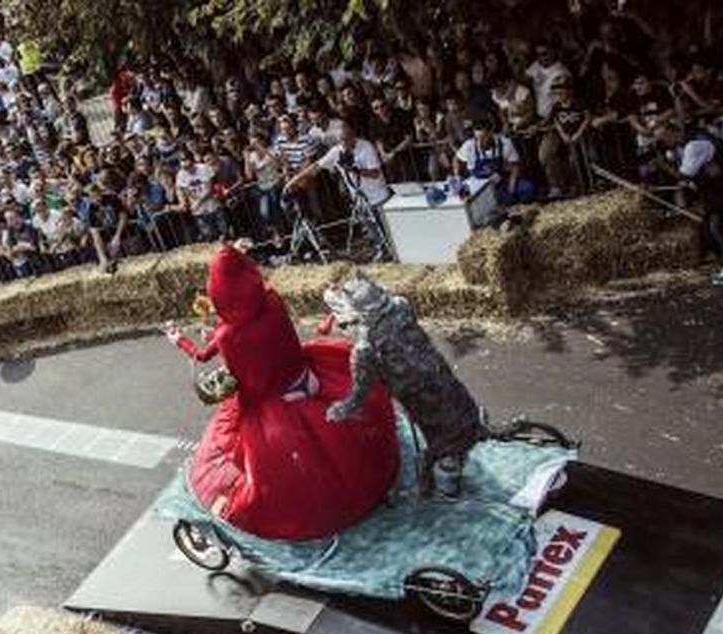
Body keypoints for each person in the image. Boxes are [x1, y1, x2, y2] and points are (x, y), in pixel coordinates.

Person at [163, 244, 398, 539]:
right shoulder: (273, 302)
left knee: (270, 464)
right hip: (306, 377)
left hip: (275, 403)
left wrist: (180, 341)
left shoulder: (228, 336)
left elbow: (225, 366)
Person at [654, 117, 723, 284]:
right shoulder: (693, 138)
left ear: (672, 132)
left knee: (718, 225)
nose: (663, 143)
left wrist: (663, 166)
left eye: (663, 138)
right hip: (719, 185)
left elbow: (684, 177)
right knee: (710, 224)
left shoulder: (693, 145)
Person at [453, 118, 533, 204]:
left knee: (527, 188)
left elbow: (515, 166)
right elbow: (457, 159)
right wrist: (457, 176)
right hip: (479, 184)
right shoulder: (469, 146)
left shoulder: (504, 143)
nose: (480, 141)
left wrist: (511, 188)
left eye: (484, 138)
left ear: (491, 133)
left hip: (500, 181)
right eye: (478, 138)